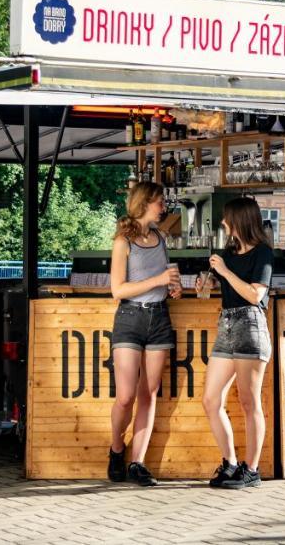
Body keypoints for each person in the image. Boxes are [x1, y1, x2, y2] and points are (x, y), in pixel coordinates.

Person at [107, 181, 181, 487]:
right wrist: (158, 279)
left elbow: (162, 282)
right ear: (144, 203)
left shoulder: (161, 238)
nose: (163, 206)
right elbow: (118, 290)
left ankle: (137, 462)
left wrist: (172, 287)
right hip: (130, 317)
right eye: (159, 202)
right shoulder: (124, 241)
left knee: (148, 394)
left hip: (159, 318)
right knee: (125, 397)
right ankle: (116, 448)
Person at [198, 197, 274, 490]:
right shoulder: (228, 251)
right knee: (210, 400)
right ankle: (230, 462)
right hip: (227, 324)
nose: (223, 223)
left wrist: (225, 272)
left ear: (239, 220)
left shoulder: (263, 254)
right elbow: (229, 287)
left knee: (248, 402)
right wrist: (210, 283)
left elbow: (256, 295)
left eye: (227, 218)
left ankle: (251, 469)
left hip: (251, 325)